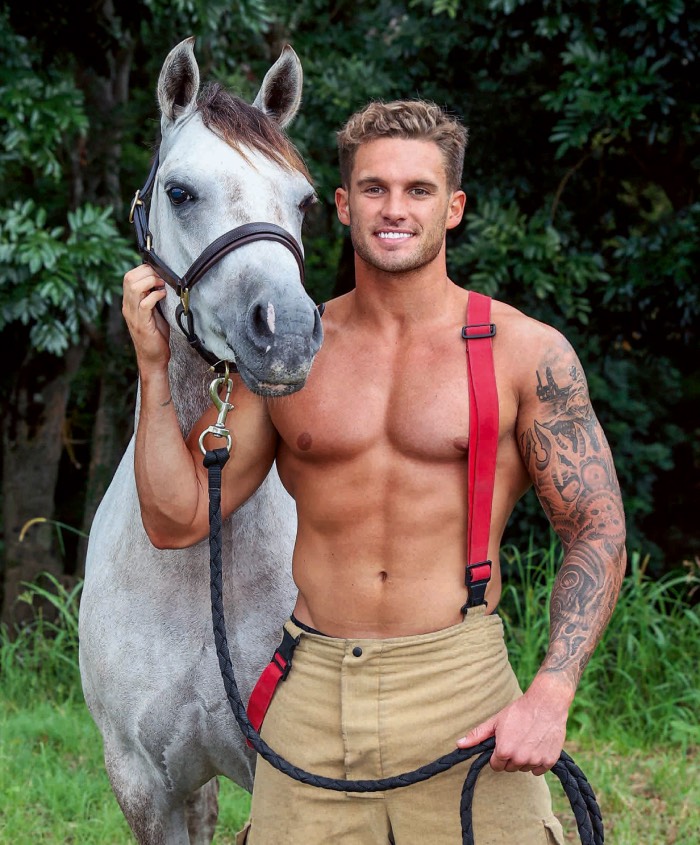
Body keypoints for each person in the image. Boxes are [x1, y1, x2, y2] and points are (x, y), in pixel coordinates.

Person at [122, 99, 626, 844]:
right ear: (341, 205)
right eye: (374, 188)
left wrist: (552, 689)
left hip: (462, 685)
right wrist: (153, 365)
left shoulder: (524, 352)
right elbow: (176, 519)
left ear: (453, 208)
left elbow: (597, 526)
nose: (394, 209)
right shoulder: (293, 355)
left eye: (418, 190)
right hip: (313, 691)